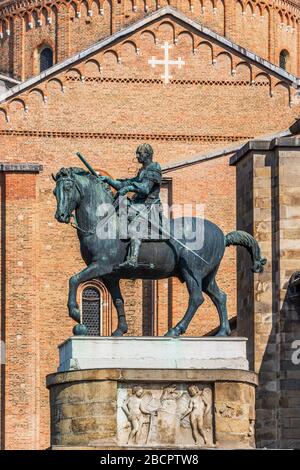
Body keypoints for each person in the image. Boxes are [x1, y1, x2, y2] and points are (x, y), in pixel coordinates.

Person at [101, 143, 162, 268]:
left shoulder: (154, 168)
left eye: (139, 153)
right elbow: (125, 184)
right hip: (139, 204)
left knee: (135, 225)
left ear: (148, 155)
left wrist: (129, 187)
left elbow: (145, 189)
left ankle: (133, 259)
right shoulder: (142, 171)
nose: (137, 156)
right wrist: (108, 180)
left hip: (150, 206)